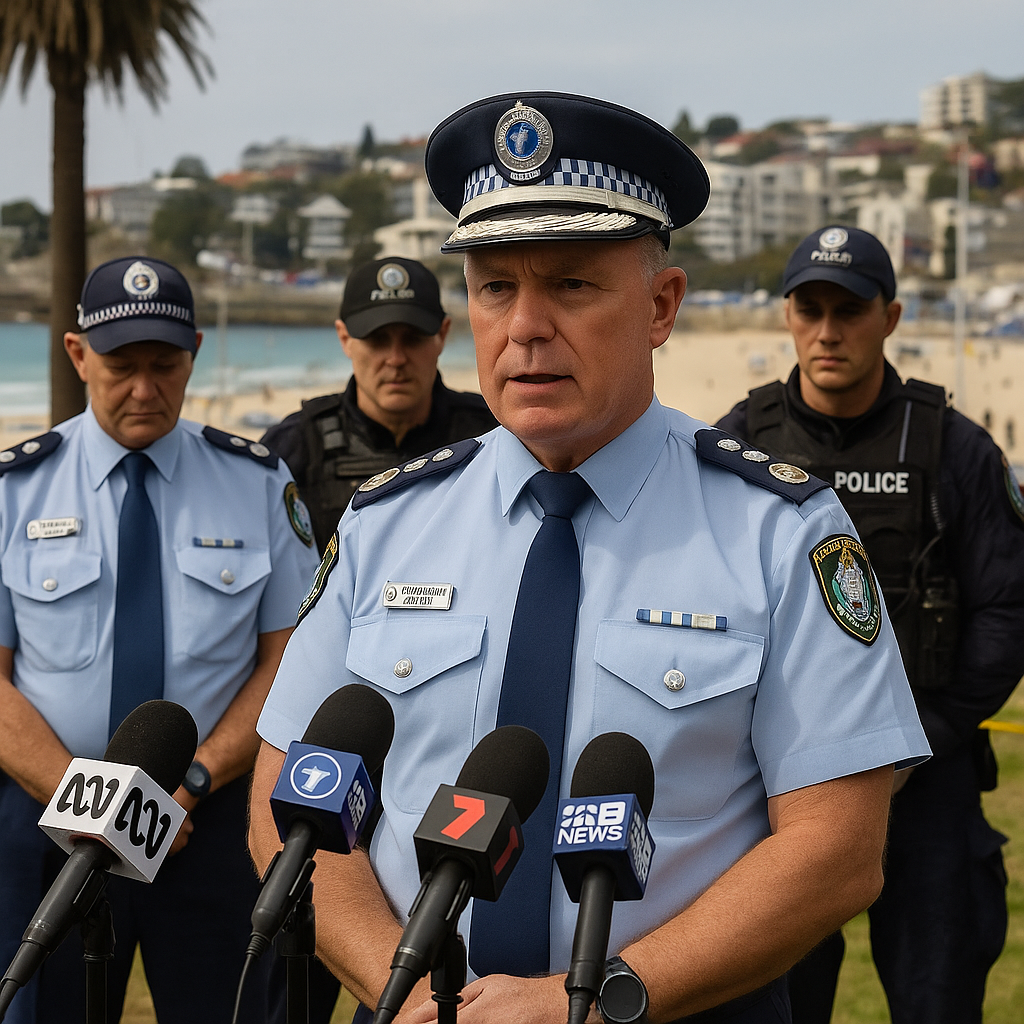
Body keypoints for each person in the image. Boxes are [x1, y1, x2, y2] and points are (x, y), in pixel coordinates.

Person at [249, 93, 930, 1024]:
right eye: (495, 287)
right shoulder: (386, 523)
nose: (526, 326)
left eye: (570, 285)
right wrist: (395, 989)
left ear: (661, 305)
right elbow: (289, 800)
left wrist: (600, 998)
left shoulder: (782, 530)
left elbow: (837, 846)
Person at [716, 226, 1024, 1024]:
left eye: (848, 311)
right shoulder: (739, 444)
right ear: (787, 316)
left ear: (889, 317)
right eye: (810, 308)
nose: (828, 331)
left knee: (936, 999)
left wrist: (925, 735)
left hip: (929, 778)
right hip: (779, 789)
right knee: (773, 1007)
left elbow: (1004, 606)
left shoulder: (953, 448)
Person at [0, 256, 320, 1024]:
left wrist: (196, 782)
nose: (144, 388)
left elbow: (290, 661)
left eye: (163, 365)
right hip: (50, 824)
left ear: (195, 353)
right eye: (120, 365)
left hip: (207, 827)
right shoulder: (14, 490)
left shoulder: (255, 482)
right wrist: (86, 804)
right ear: (78, 355)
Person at [261, 257, 497, 553]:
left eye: (412, 339)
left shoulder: (491, 436)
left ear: (442, 335)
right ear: (344, 338)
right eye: (377, 340)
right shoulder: (295, 447)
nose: (396, 359)